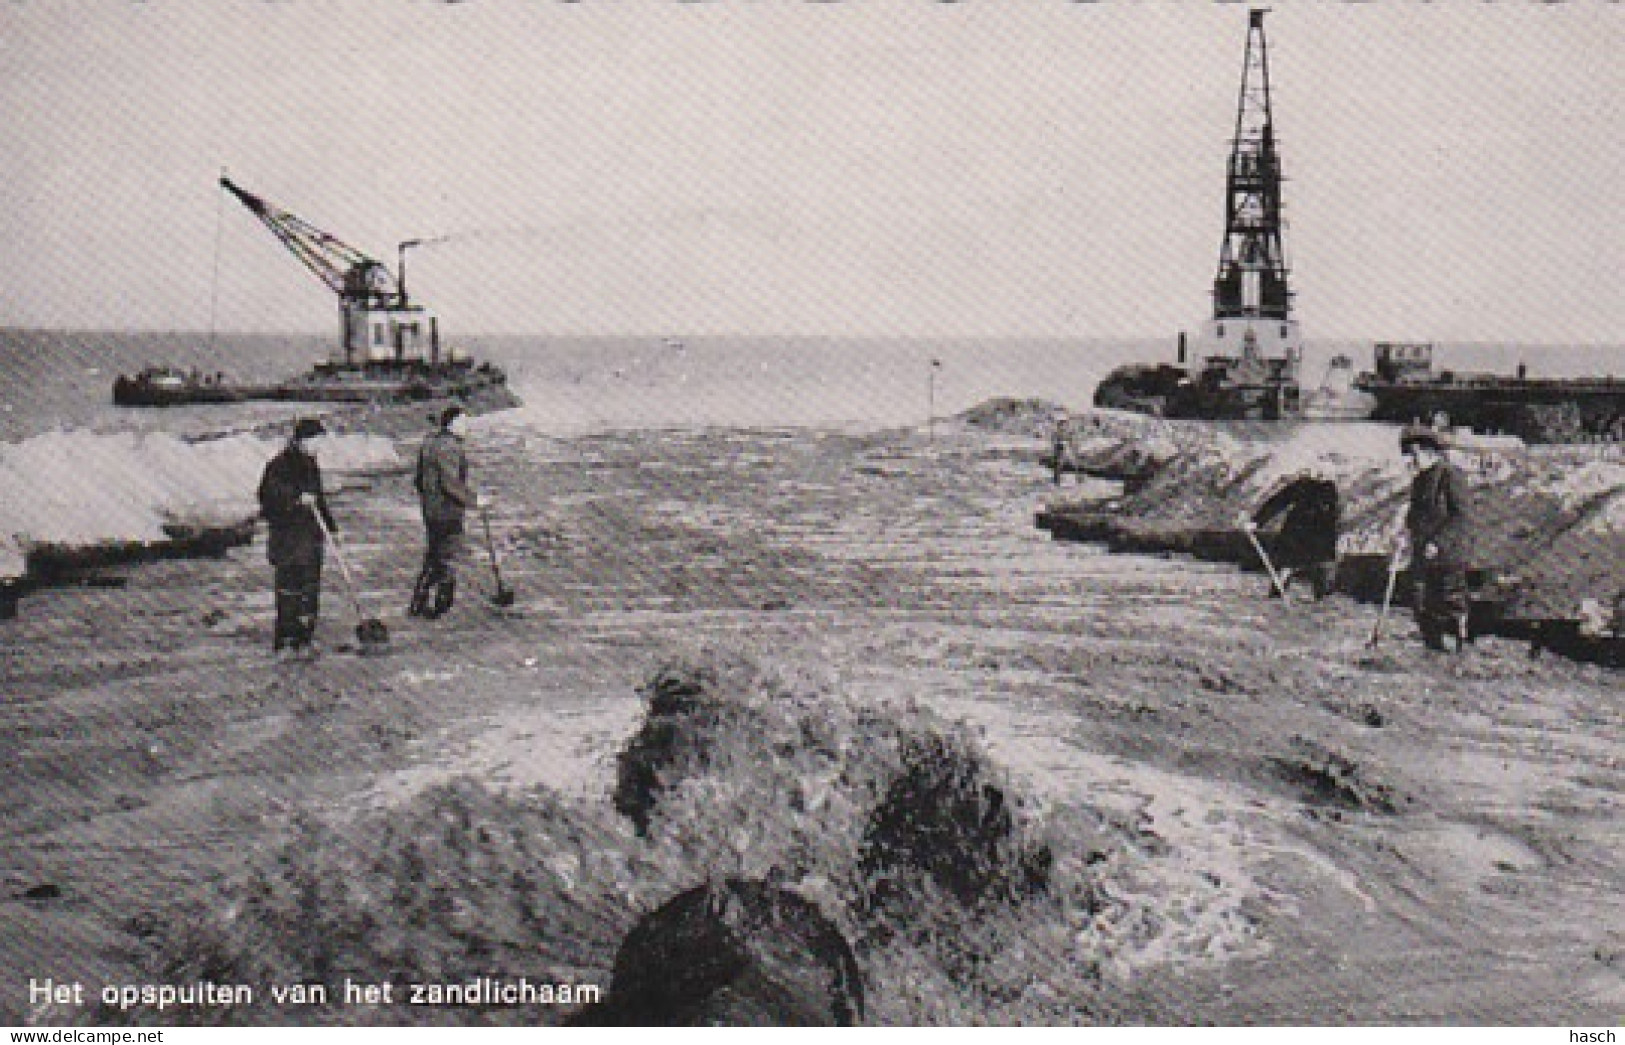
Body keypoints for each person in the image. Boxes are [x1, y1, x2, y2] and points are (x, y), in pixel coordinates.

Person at [256, 417, 335, 657]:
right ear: (302, 440)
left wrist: (332, 527)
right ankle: (286, 641)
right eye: (316, 441)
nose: (319, 446)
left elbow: (319, 499)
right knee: (289, 591)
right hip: (288, 539)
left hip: (310, 538)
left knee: (310, 591)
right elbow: (267, 495)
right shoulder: (279, 465)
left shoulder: (311, 465)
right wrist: (296, 497)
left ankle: (305, 640)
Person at [1399, 424, 1475, 652]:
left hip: (1448, 553)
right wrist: (1404, 534)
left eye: (1414, 455)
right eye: (1409, 456)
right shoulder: (1419, 481)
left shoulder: (1450, 476)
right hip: (1422, 551)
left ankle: (1455, 649)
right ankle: (1432, 647)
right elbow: (1415, 514)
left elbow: (1462, 515)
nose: (1411, 461)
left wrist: (1439, 542)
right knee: (1420, 599)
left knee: (1448, 600)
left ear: (1429, 452)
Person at [410, 404, 477, 619]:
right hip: (447, 510)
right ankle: (441, 608)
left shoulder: (429, 442)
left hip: (431, 509)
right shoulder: (450, 447)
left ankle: (418, 604)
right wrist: (475, 501)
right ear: (452, 424)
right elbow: (451, 484)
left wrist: (429, 499)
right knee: (448, 557)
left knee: (434, 556)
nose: (467, 428)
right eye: (464, 423)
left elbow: (419, 480)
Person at [1242, 468, 1341, 601]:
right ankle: (1277, 601)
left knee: (1323, 574)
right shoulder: (1301, 486)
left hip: (1321, 540)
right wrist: (1256, 522)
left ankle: (1322, 605)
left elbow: (1335, 520)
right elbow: (1277, 502)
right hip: (1296, 537)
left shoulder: (1331, 491)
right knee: (1285, 571)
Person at [1050, 412, 1076, 486]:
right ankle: (1057, 480)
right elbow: (1054, 440)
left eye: (1064, 423)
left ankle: (1076, 479)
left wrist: (1071, 445)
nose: (1063, 425)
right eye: (1061, 423)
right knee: (1058, 464)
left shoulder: (1066, 432)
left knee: (1072, 463)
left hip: (1065, 448)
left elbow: (1070, 439)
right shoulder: (1056, 432)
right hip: (1059, 448)